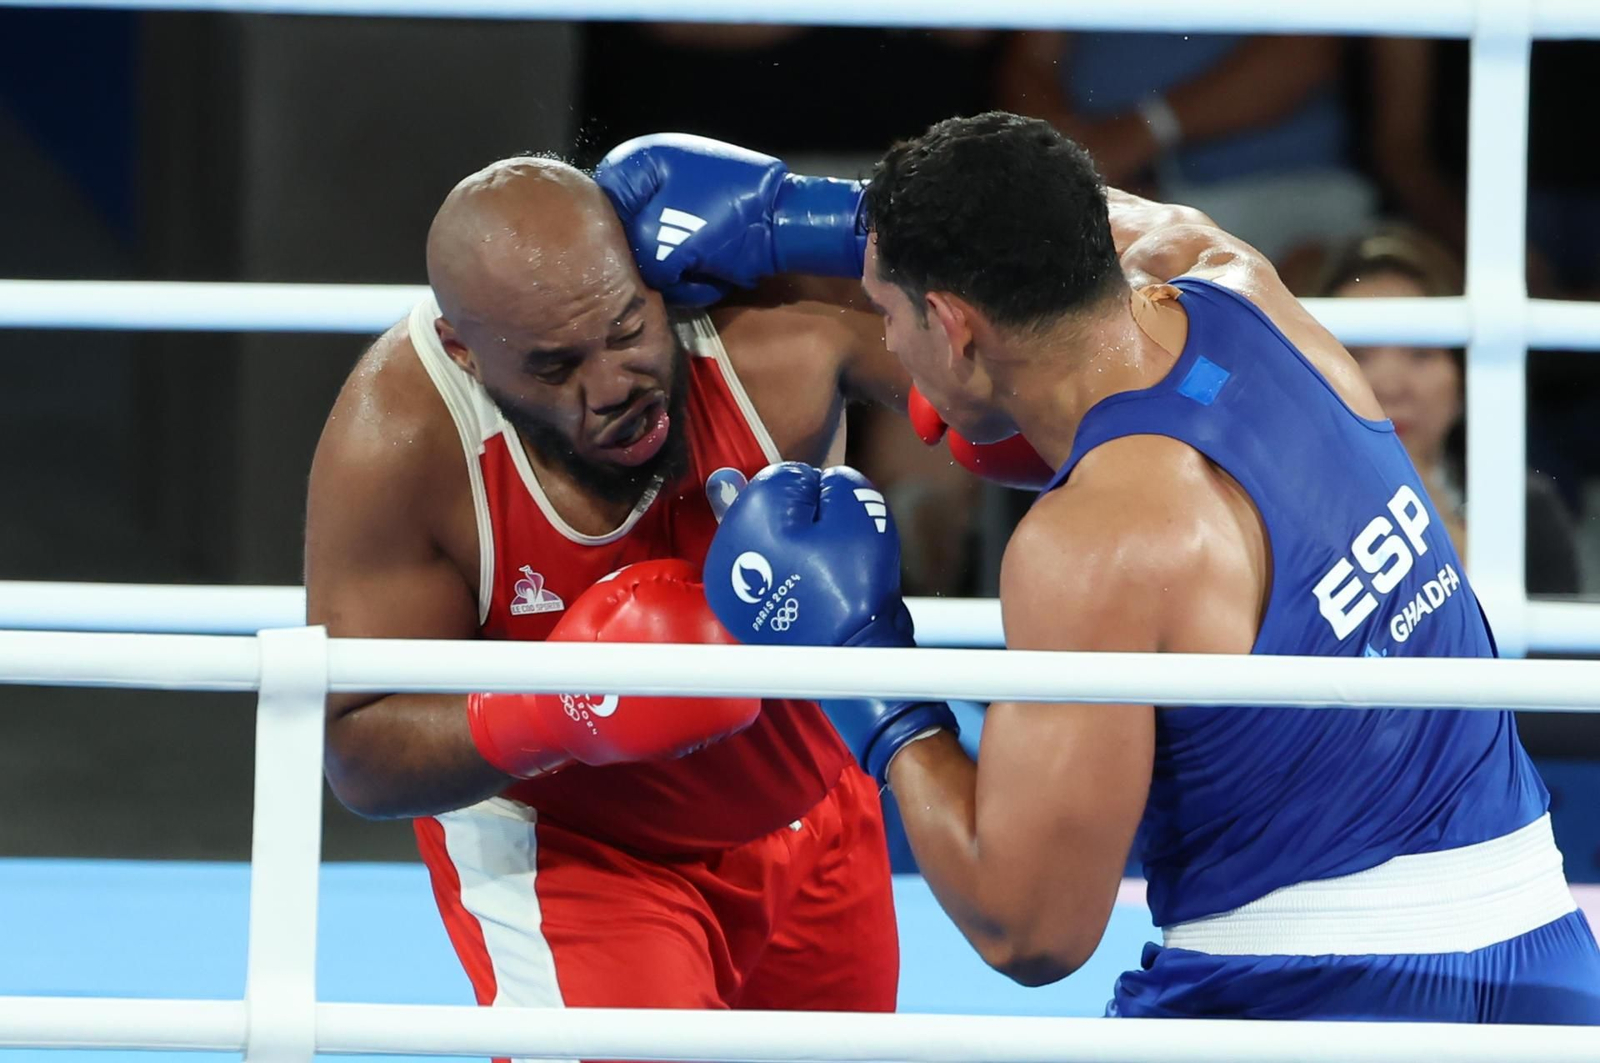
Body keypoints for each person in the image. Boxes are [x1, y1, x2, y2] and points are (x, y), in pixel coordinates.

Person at [600, 114, 1600, 1022]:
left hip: (1308, 995)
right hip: (1546, 963)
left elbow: (1029, 930)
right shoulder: (1242, 285)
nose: (888, 343)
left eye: (887, 313)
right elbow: (1112, 219)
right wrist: (813, 217)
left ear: (952, 328)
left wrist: (858, 660)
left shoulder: (1094, 546)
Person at [303, 154, 909, 1025]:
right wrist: (557, 710)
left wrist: (832, 219)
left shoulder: (771, 335)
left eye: (628, 330)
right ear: (466, 351)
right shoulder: (404, 443)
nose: (613, 386)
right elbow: (359, 747)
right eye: (555, 368)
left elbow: (1024, 370)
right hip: (577, 857)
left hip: (813, 810)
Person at [1318, 224, 1582, 594]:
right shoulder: (1270, 509)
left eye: (1421, 353)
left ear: (1463, 378)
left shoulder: (1524, 508)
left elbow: (1556, 648)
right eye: (1358, 355)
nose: (1391, 387)